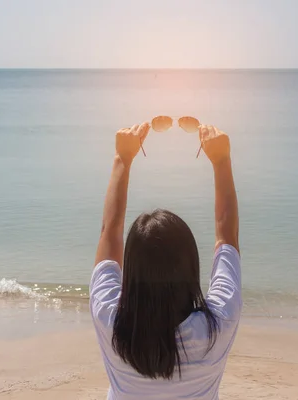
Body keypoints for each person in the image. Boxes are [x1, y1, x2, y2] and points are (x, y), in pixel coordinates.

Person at [90, 122, 241, 399]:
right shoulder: (216, 327)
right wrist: (221, 160)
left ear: (132, 269)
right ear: (190, 266)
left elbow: (109, 232)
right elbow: (226, 236)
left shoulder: (110, 318)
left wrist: (122, 158)